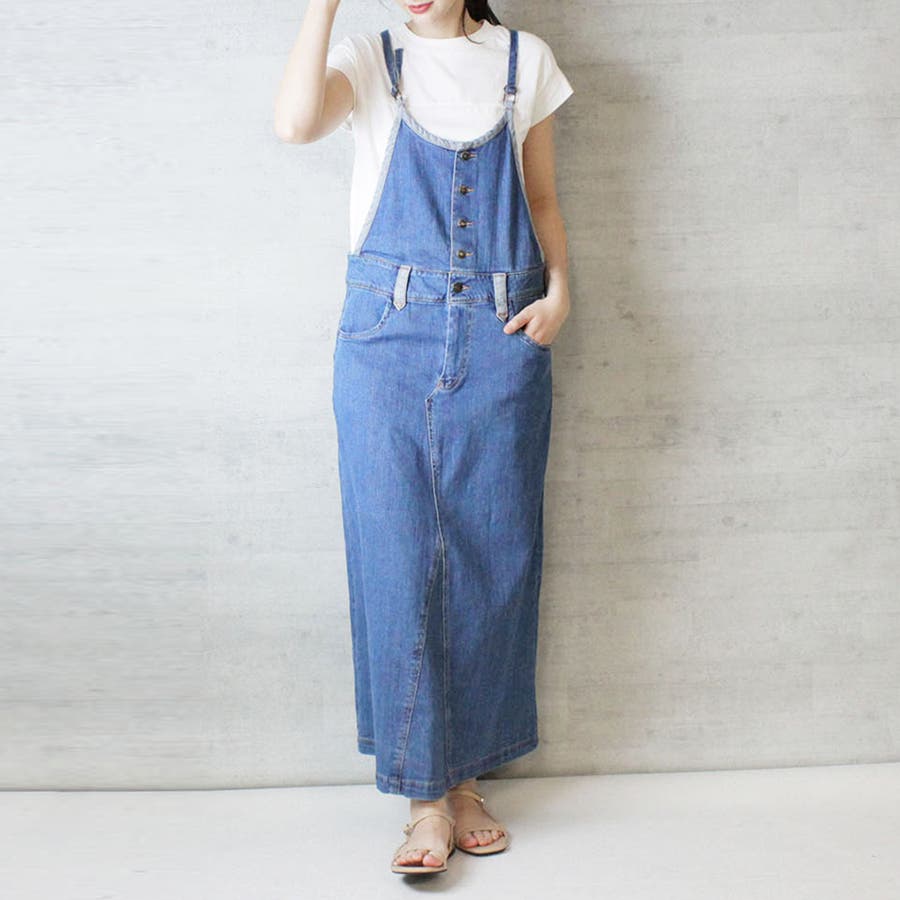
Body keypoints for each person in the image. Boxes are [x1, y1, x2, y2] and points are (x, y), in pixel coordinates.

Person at [274, 0, 574, 876]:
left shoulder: (524, 60)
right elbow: (295, 125)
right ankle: (424, 800)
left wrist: (562, 291)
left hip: (503, 328)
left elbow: (542, 195)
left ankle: (468, 782)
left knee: (492, 558)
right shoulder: (372, 57)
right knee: (396, 557)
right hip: (385, 339)